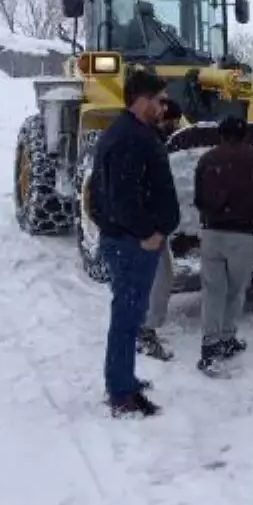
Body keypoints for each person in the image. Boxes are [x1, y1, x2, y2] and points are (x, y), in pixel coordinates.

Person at [88, 69, 181, 417]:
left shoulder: (134, 132)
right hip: (132, 245)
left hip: (129, 241)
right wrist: (147, 233)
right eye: (160, 100)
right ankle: (121, 394)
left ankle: (124, 378)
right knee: (127, 318)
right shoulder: (128, 137)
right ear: (141, 100)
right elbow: (120, 198)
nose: (165, 106)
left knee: (130, 315)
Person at [193, 115, 253, 376]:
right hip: (242, 235)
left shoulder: (206, 160)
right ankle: (227, 338)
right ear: (244, 133)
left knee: (213, 291)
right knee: (236, 291)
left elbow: (198, 199)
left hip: (212, 234)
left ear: (221, 134)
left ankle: (209, 346)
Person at [136, 96, 185, 363]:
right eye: (173, 123)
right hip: (148, 227)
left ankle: (144, 329)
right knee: (158, 277)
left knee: (157, 277)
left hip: (151, 224)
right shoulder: (148, 145)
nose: (175, 128)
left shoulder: (152, 141)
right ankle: (145, 333)